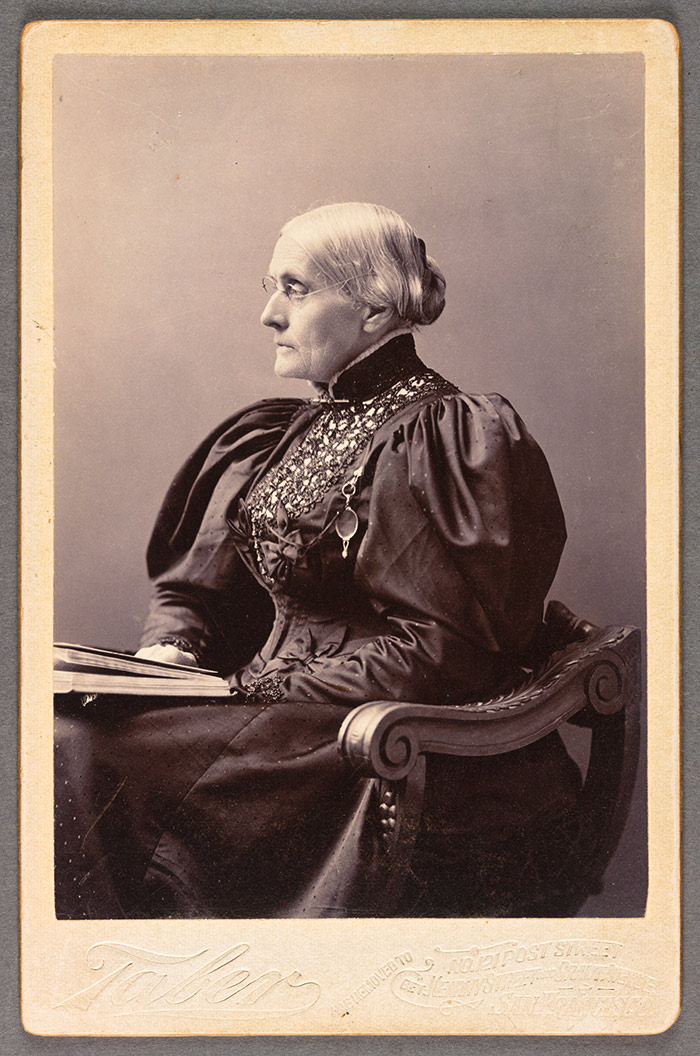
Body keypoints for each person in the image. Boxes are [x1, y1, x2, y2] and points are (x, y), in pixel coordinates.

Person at [55, 202, 581, 919]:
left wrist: (250, 690)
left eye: (295, 290)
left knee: (92, 755)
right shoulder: (284, 431)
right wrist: (173, 650)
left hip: (386, 742)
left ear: (373, 309)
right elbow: (199, 586)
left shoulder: (441, 435)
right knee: (65, 729)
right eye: (270, 287)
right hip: (274, 714)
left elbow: (442, 652)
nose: (269, 314)